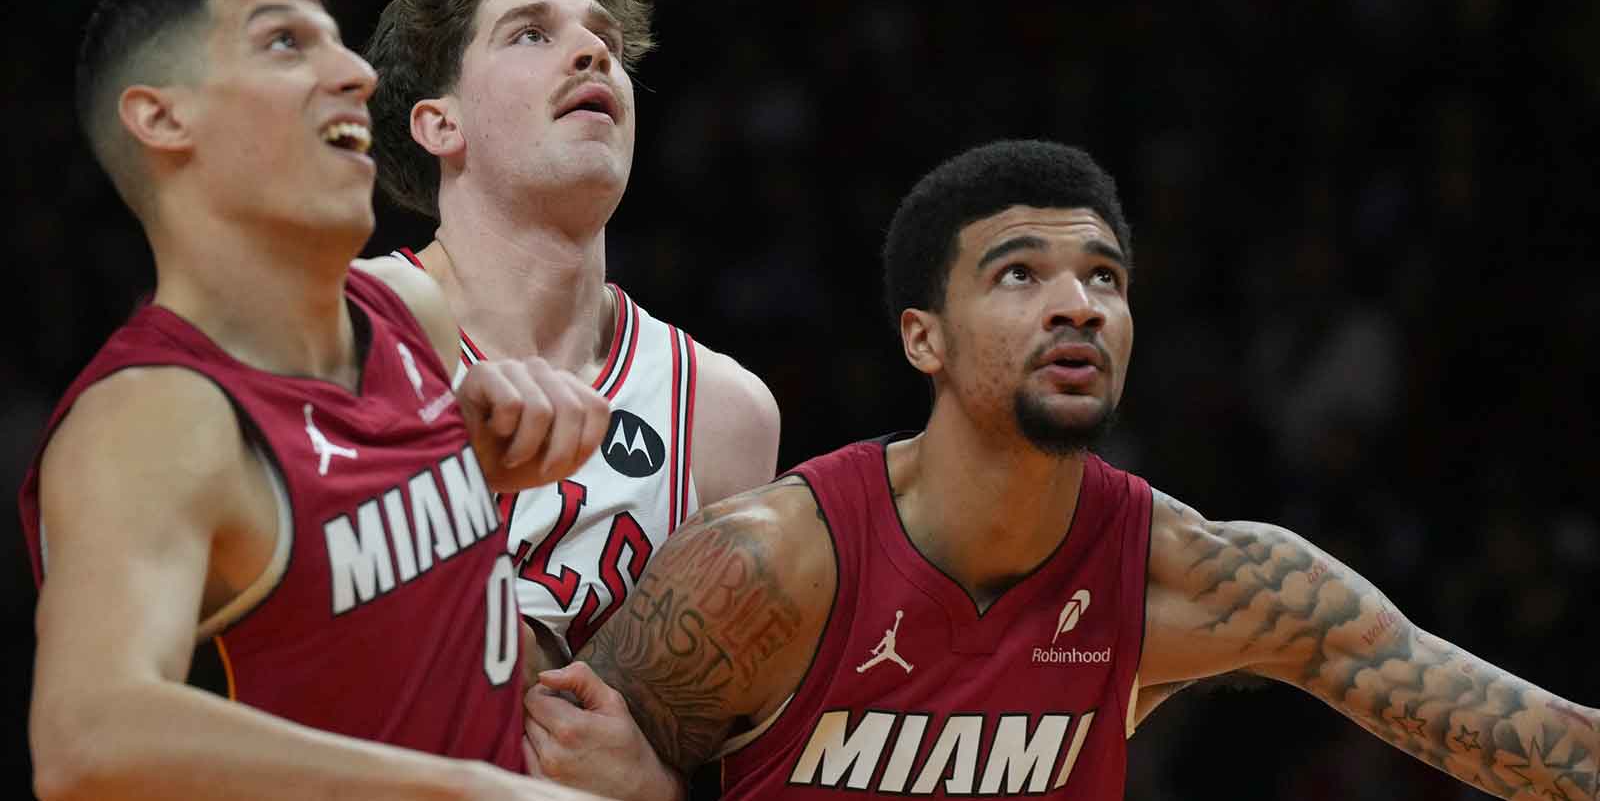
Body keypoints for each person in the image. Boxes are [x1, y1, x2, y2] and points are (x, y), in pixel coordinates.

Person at [529, 139, 1600, 800]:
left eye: (1103, 276)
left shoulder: (1186, 576)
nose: (1077, 302)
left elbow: (1528, 743)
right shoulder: (766, 568)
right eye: (1017, 273)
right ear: (923, 339)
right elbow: (547, 770)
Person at [22, 0, 614, 800]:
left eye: (338, 42)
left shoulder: (413, 316)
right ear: (162, 118)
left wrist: (467, 458)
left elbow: (363, 598)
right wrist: (475, 790)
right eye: (284, 45)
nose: (355, 73)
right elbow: (89, 734)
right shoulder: (155, 414)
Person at [363, 0, 779, 760]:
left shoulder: (725, 410)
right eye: (531, 33)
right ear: (441, 124)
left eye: (606, 40)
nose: (592, 54)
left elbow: (719, 741)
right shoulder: (349, 328)